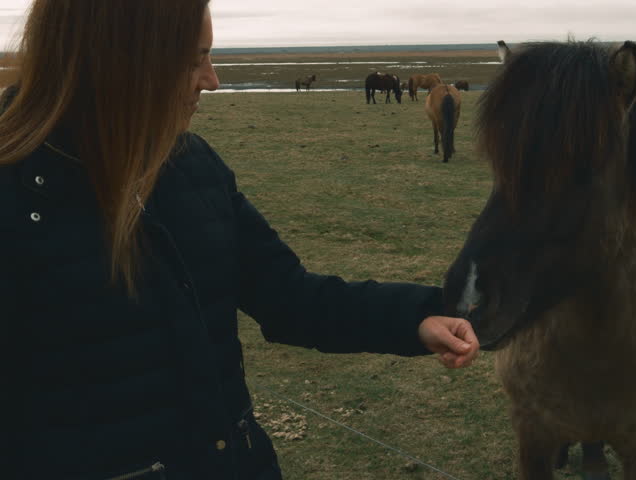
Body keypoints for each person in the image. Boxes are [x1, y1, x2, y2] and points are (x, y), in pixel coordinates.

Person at [0, 2, 479, 479]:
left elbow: (289, 297)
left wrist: (418, 317)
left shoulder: (191, 166)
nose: (212, 80)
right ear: (119, 59)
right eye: (192, 61)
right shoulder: (13, 193)